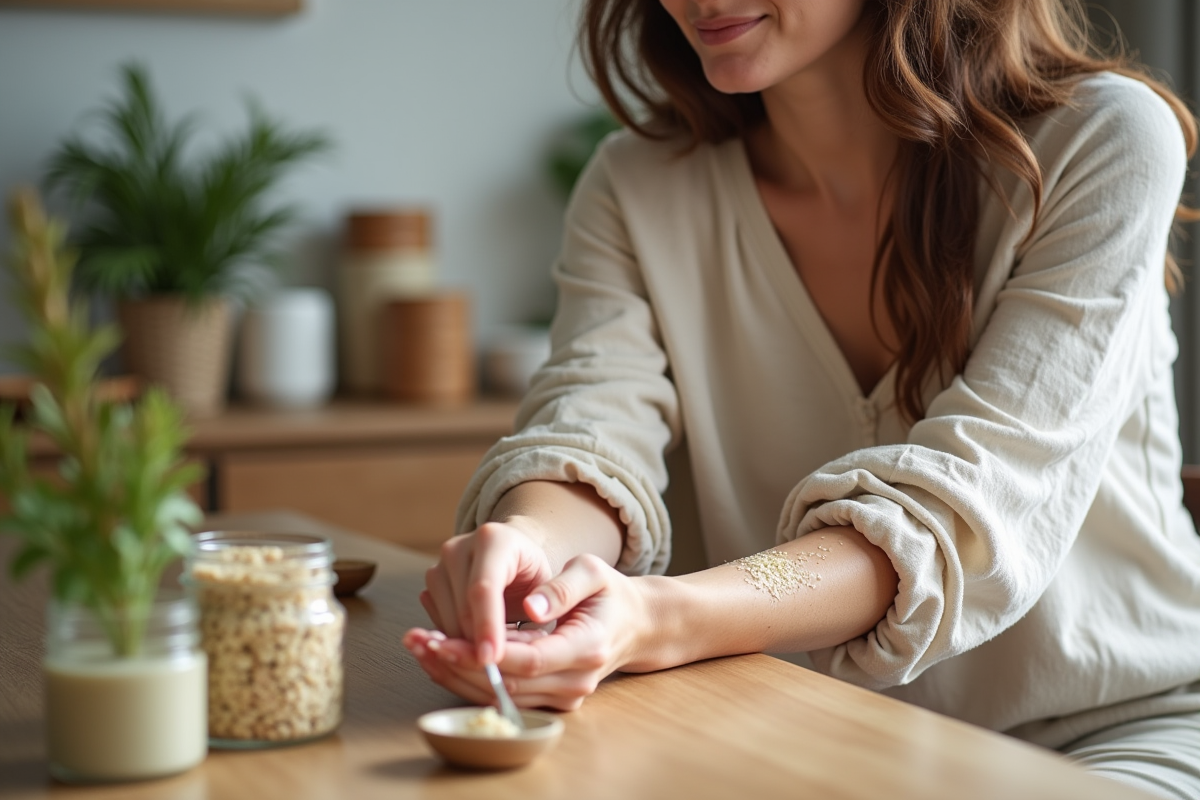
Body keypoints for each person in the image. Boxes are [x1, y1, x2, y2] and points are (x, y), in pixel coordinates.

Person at [403, 1, 1200, 795]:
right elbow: (591, 431)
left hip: (1107, 737)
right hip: (808, 731)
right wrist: (534, 554)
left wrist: (657, 616)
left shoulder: (1101, 140)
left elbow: (957, 515)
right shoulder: (637, 187)